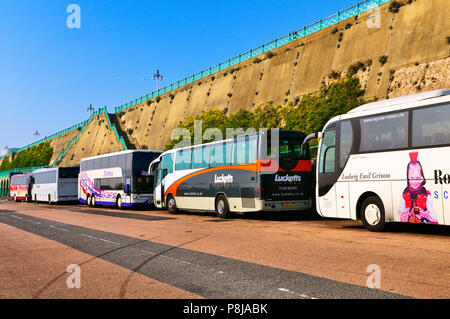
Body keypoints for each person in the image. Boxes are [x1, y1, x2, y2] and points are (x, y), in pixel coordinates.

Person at [398, 151, 438, 224]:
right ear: (408, 178)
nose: (415, 181)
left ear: (422, 177)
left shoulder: (427, 197)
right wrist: (404, 216)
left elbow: (435, 220)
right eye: (412, 178)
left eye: (417, 178)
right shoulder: (404, 196)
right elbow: (400, 212)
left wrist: (425, 215)